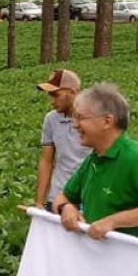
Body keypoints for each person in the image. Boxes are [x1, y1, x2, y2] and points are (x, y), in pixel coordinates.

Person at [53, 83, 138, 241]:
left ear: (107, 121)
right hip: (98, 260)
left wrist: (112, 222)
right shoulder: (93, 159)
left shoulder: (136, 157)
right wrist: (66, 208)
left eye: (81, 118)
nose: (75, 125)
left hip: (131, 262)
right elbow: (63, 196)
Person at [35, 69, 90, 211]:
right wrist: (40, 203)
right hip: (57, 199)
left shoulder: (94, 118)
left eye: (56, 95)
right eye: (50, 96)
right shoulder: (51, 119)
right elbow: (46, 161)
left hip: (87, 199)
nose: (52, 101)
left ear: (73, 92)